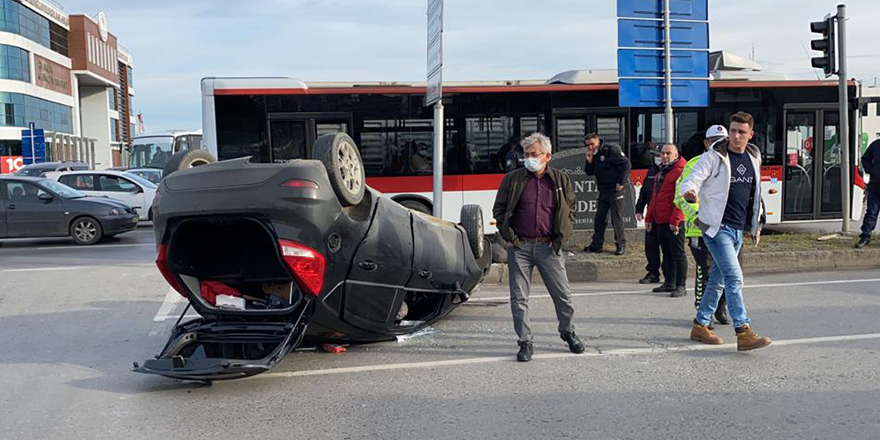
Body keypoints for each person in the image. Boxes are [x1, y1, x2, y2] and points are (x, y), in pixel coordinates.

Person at [681, 112, 772, 351]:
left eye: (741, 132)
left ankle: (700, 324)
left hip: (738, 229)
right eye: (733, 131)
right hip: (716, 228)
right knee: (734, 277)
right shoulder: (714, 156)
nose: (736, 136)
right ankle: (743, 331)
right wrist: (690, 192)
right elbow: (692, 178)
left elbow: (755, 193)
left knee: (718, 280)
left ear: (750, 134)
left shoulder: (753, 156)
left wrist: (756, 224)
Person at [492, 132, 585, 362]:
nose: (529, 158)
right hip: (520, 247)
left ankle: (568, 332)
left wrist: (561, 236)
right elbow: (499, 210)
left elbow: (570, 209)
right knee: (519, 298)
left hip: (548, 247)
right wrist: (510, 237)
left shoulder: (561, 180)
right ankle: (525, 342)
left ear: (547, 156)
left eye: (535, 154)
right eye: (526, 154)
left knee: (563, 296)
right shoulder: (512, 179)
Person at [675, 125, 731, 325]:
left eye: (723, 139)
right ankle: (702, 312)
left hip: (727, 229)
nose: (721, 143)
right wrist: (698, 217)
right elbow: (680, 197)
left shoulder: (732, 162)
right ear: (707, 143)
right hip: (701, 229)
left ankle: (720, 307)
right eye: (715, 140)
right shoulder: (695, 164)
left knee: (728, 272)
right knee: (705, 273)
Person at [645, 143, 687, 297]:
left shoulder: (681, 172)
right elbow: (654, 197)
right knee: (667, 253)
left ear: (676, 155)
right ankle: (669, 282)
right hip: (660, 220)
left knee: (678, 253)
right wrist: (649, 218)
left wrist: (675, 219)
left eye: (668, 153)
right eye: (662, 153)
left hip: (673, 221)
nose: (664, 156)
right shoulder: (661, 172)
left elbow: (681, 199)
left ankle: (681, 285)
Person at [584, 134, 631, 255]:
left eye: (592, 144)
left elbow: (626, 164)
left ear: (598, 141)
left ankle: (621, 245)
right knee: (600, 219)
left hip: (615, 190)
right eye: (587, 145)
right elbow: (589, 172)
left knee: (617, 218)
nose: (590, 147)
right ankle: (597, 244)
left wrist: (621, 182)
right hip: (603, 190)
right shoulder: (594, 154)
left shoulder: (611, 150)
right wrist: (589, 161)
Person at [635, 143, 663, 284]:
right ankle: (653, 272)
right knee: (650, 246)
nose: (659, 158)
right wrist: (639, 209)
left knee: (668, 249)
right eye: (656, 155)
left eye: (661, 155)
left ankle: (670, 275)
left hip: (666, 216)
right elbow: (644, 192)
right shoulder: (651, 171)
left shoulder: (672, 171)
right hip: (651, 215)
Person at [856, 138, 880, 248]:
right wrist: (871, 170)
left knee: (871, 213)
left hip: (874, 184)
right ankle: (865, 237)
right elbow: (865, 159)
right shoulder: (876, 144)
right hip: (875, 186)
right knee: (871, 213)